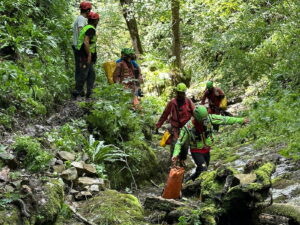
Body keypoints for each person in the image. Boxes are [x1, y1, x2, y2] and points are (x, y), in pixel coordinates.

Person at [171, 105, 249, 182]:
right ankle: (191, 185)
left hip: (206, 149)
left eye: (206, 118)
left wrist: (241, 120)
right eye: (203, 120)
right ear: (197, 118)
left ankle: (186, 183)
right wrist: (175, 154)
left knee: (201, 171)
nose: (205, 121)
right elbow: (179, 142)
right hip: (196, 151)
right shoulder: (187, 128)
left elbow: (225, 119)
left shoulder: (210, 118)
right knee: (203, 169)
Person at [156, 83, 195, 157]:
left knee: (185, 147)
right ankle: (174, 163)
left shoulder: (189, 102)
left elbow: (195, 113)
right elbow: (165, 114)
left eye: (182, 93)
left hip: (186, 127)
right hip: (175, 128)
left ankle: (182, 160)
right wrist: (159, 124)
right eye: (179, 93)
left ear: (184, 93)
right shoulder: (172, 102)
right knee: (174, 145)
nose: (180, 95)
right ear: (177, 92)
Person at [73, 11, 100, 99]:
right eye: (98, 20)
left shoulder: (87, 27)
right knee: (83, 74)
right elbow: (86, 42)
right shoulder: (90, 29)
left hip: (84, 54)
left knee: (91, 74)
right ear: (95, 20)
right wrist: (89, 55)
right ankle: (78, 93)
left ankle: (90, 93)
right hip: (84, 55)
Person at [72, 1, 92, 97]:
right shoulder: (81, 19)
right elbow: (81, 33)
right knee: (82, 69)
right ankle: (78, 91)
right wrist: (87, 50)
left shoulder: (80, 19)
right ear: (87, 10)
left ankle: (79, 90)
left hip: (78, 47)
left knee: (80, 69)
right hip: (80, 48)